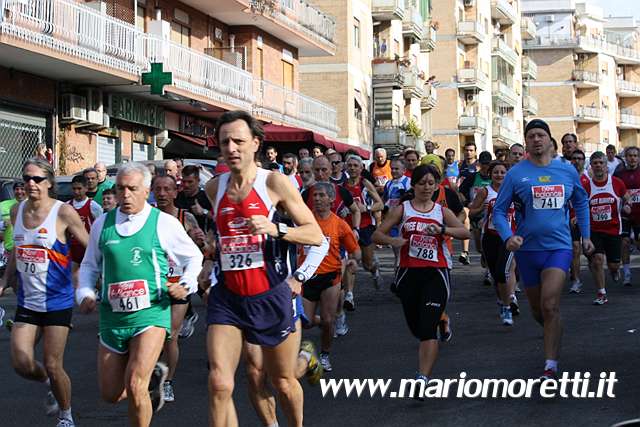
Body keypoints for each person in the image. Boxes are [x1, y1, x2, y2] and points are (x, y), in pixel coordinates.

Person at [204, 110, 324, 427]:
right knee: (220, 383)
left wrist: (275, 230)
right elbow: (221, 237)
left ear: (256, 143)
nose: (231, 148)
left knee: (283, 381)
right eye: (225, 141)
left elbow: (314, 235)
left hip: (271, 295)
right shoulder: (214, 189)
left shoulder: (274, 183)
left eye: (239, 141)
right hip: (228, 298)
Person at [77, 162, 203, 426]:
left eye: (132, 189)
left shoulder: (163, 223)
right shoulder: (103, 224)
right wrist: (85, 292)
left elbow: (194, 256)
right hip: (113, 318)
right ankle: (150, 380)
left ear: (146, 191)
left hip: (150, 313)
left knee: (135, 385)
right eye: (120, 189)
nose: (125, 195)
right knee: (111, 394)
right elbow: (90, 265)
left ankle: (144, 385)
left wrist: (187, 284)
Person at [492, 119, 593, 379]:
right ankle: (554, 328)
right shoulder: (516, 173)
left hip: (558, 247)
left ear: (550, 140)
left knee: (549, 304)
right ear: (526, 142)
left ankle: (550, 366)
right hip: (527, 251)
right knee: (539, 311)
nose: (536, 139)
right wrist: (508, 236)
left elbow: (581, 203)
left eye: (540, 135)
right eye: (531, 136)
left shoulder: (567, 170)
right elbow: (500, 211)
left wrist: (585, 235)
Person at [5, 158, 89, 427]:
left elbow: (91, 247)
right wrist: (5, 280)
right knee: (21, 362)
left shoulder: (63, 213)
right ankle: (48, 383)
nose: (30, 183)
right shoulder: (17, 212)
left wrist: (87, 280)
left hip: (57, 300)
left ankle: (66, 416)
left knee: (54, 364)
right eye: (26, 178)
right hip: (27, 301)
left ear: (49, 183)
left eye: (37, 179)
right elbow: (16, 252)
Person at [373, 165, 470, 396]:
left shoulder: (440, 211)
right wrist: (394, 241)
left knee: (426, 329)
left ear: (437, 186)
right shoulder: (402, 209)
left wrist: (443, 230)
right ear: (414, 185)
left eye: (431, 183)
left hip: (436, 272)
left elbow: (464, 233)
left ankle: (422, 379)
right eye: (422, 183)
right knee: (417, 328)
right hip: (409, 273)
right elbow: (378, 234)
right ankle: (443, 319)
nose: (427, 187)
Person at [152, 174, 205, 402]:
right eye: (158, 189)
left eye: (167, 189)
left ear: (175, 193)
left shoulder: (186, 217)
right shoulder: (146, 218)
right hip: (153, 286)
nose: (162, 193)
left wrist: (199, 239)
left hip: (179, 286)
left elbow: (201, 249)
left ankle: (168, 382)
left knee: (170, 336)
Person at [301, 182, 361, 372]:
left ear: (331, 199)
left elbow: (355, 250)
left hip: (330, 277)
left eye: (321, 195)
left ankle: (325, 355)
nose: (317, 199)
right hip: (307, 276)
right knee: (306, 321)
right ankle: (324, 327)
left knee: (328, 320)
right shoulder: (304, 220)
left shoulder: (339, 224)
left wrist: (353, 261)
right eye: (314, 196)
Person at [468, 161, 518, 325]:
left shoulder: (513, 191)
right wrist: (481, 208)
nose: (499, 175)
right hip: (489, 236)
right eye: (496, 172)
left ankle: (508, 304)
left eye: (503, 172)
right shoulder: (485, 191)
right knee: (497, 274)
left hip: (508, 237)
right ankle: (503, 299)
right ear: (490, 174)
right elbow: (471, 210)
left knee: (504, 270)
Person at [583, 152, 629, 305]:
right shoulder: (587, 186)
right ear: (591, 166)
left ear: (605, 165)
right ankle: (601, 293)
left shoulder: (616, 182)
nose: (598, 165)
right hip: (594, 230)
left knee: (613, 264)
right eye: (594, 163)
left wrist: (627, 205)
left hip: (613, 230)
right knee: (597, 260)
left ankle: (615, 271)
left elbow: (626, 196)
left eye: (600, 163)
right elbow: (581, 205)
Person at [344, 155, 383, 288]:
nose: (353, 168)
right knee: (351, 260)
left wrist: (365, 208)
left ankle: (374, 269)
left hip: (366, 227)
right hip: (348, 227)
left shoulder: (365, 183)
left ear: (361, 168)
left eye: (356, 166)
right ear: (346, 168)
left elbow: (380, 204)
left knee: (367, 264)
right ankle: (348, 295)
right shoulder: (342, 185)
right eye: (350, 166)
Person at [458, 151, 493, 275]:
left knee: (489, 244)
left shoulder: (495, 177)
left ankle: (489, 272)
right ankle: (484, 255)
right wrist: (467, 203)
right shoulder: (473, 177)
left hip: (490, 215)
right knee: (479, 247)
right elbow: (460, 191)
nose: (486, 166)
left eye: (488, 164)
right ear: (479, 163)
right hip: (475, 213)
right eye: (483, 163)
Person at [614, 146, 640, 286]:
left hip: (639, 214)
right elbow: (614, 192)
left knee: (638, 242)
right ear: (625, 157)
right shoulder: (619, 174)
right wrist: (622, 203)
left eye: (635, 155)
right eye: (630, 155)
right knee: (624, 243)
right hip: (624, 214)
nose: (632, 158)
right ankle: (627, 274)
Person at [67, 175, 103, 266]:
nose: (76, 192)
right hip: (71, 250)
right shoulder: (67, 206)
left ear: (86, 188)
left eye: (79, 188)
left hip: (87, 249)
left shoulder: (93, 206)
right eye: (74, 189)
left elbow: (100, 228)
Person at [568, 150, 590, 294]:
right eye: (574, 158)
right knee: (575, 248)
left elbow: (590, 201)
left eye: (580, 158)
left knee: (589, 251)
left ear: (584, 161)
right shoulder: (566, 177)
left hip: (587, 218)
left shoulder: (588, 179)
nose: (577, 161)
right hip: (570, 219)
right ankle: (576, 280)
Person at [383, 159, 411, 266]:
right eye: (392, 169)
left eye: (396, 169)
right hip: (393, 220)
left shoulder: (408, 182)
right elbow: (385, 200)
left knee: (407, 247)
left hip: (405, 219)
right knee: (396, 248)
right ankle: (398, 267)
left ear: (404, 170)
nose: (393, 171)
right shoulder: (389, 183)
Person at [176, 165, 212, 232]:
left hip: (201, 237)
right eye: (184, 181)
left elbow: (217, 217)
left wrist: (203, 212)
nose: (186, 185)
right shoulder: (177, 197)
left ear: (198, 181)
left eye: (190, 182)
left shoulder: (206, 197)